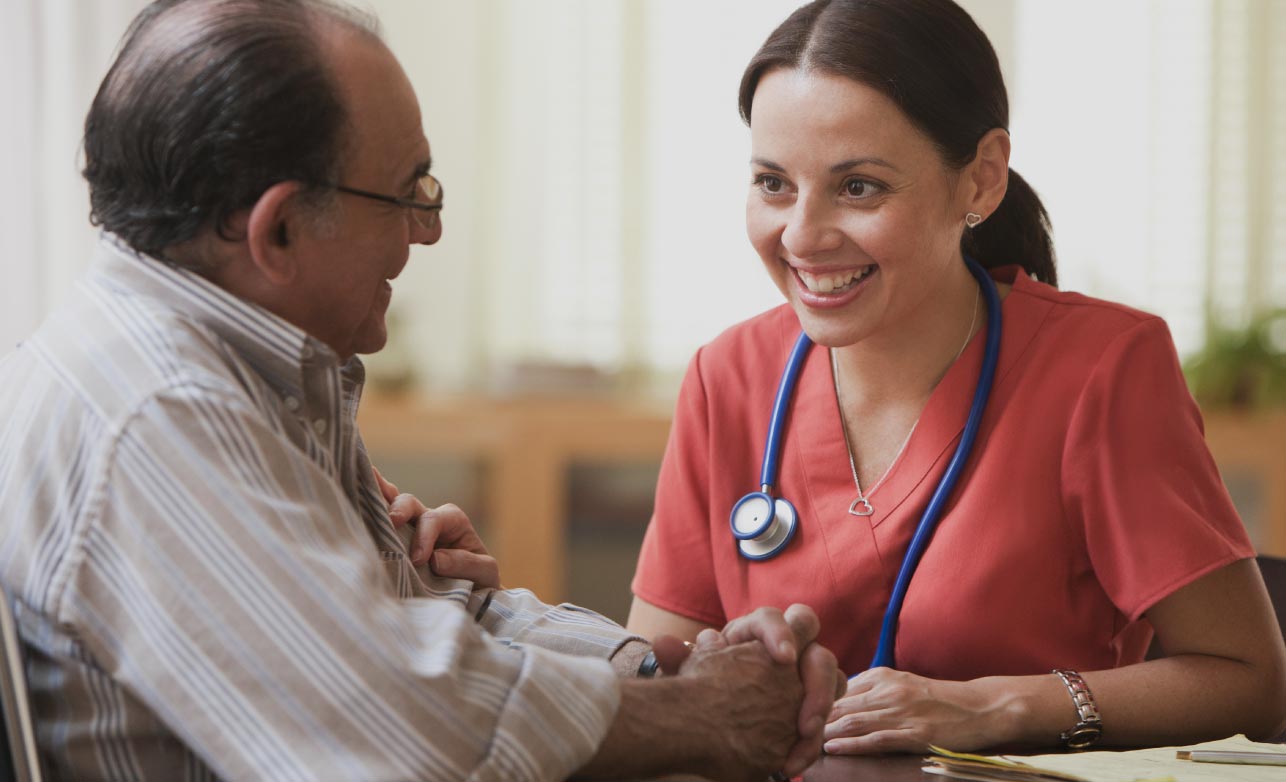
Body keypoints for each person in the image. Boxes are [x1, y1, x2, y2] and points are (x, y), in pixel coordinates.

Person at [0, 1, 843, 779]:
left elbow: (425, 622)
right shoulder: (162, 412)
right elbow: (406, 735)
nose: (430, 230)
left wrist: (668, 665)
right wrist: (702, 712)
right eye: (409, 193)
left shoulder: (242, 366)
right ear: (278, 228)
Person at [628, 0, 1286, 757]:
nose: (803, 234)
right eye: (774, 183)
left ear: (980, 180)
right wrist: (721, 667)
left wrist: (996, 708)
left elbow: (1250, 680)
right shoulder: (728, 377)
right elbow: (653, 677)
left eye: (858, 188)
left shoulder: (1101, 368)